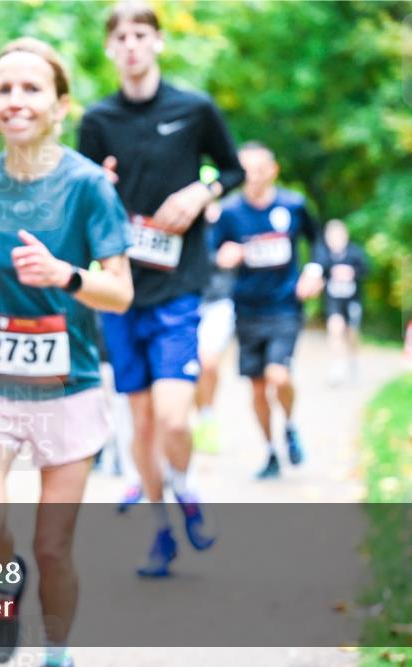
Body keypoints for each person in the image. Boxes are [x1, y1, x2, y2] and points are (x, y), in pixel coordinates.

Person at [0, 37, 133, 667]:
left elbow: (120, 293)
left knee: (53, 547)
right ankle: (3, 579)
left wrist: (65, 275)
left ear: (60, 104)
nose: (15, 101)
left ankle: (57, 652)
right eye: (3, 89)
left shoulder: (89, 185)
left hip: (69, 386)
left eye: (31, 88)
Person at [78, 0, 244, 577]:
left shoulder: (194, 108)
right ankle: (160, 529)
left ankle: (188, 488)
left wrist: (202, 193)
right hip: (122, 288)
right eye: (120, 35)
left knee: (175, 419)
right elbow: (83, 196)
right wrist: (99, 187)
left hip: (179, 285)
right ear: (109, 48)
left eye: (140, 33)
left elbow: (233, 170)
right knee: (142, 423)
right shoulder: (97, 120)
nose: (130, 44)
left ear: (157, 43)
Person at [214, 142, 325, 480]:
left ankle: (289, 426)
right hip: (246, 309)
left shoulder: (293, 205)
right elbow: (212, 252)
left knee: (280, 376)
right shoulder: (230, 211)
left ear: (272, 170)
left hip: (284, 306)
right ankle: (270, 451)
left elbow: (317, 239)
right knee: (259, 389)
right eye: (246, 171)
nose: (254, 177)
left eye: (260, 170)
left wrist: (314, 269)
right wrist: (224, 255)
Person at [192, 198, 235, 455]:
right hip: (188, 302)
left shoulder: (228, 221)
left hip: (219, 302)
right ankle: (200, 416)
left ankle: (206, 417)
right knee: (193, 368)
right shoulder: (182, 224)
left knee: (208, 363)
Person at [314, 218, 368, 385]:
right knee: (335, 330)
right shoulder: (323, 255)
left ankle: (353, 361)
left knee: (351, 334)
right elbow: (317, 273)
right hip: (333, 302)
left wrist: (352, 272)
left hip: (352, 301)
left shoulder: (355, 252)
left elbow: (366, 270)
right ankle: (337, 365)